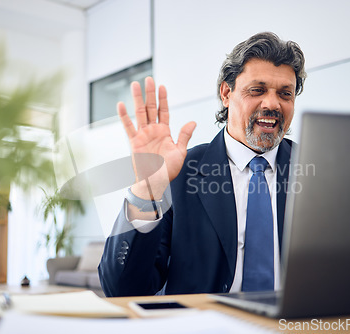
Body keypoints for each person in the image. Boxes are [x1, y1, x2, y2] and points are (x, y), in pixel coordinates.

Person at [98, 32, 306, 297]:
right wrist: (145, 191)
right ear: (226, 93)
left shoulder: (318, 169)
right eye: (257, 90)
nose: (272, 103)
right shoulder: (179, 171)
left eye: (285, 94)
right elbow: (123, 290)